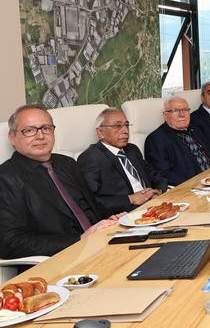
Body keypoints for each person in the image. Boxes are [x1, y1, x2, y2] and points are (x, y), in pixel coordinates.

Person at [0, 104, 123, 258]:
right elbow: (10, 242)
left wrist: (109, 220)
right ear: (12, 137)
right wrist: (79, 240)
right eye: (29, 130)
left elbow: (90, 207)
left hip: (102, 244)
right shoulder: (6, 177)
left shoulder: (68, 163)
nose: (40, 136)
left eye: (46, 128)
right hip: (60, 260)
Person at [78, 108, 168, 215]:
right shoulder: (90, 157)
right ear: (100, 132)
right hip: (127, 214)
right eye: (117, 126)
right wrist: (130, 199)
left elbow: (156, 176)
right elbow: (91, 201)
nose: (125, 131)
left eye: (126, 125)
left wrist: (158, 191)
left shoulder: (132, 149)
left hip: (154, 205)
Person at [145, 96, 210, 186]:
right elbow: (163, 175)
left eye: (185, 110)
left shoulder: (195, 129)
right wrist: (197, 183)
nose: (182, 114)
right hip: (191, 187)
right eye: (176, 110)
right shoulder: (156, 139)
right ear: (165, 115)